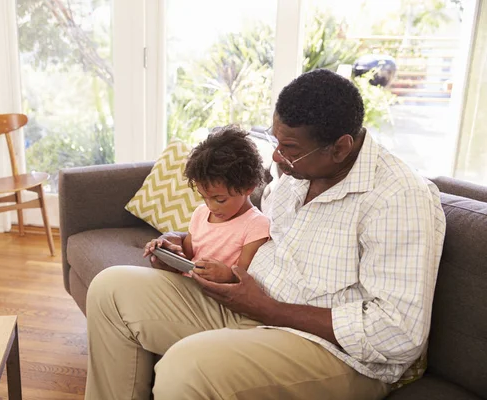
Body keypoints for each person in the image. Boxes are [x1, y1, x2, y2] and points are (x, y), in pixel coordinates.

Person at [84, 69, 446, 400]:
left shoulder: (399, 197)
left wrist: (268, 308)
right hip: (249, 308)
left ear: (340, 147)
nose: (276, 155)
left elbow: (398, 334)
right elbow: (252, 227)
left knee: (184, 371)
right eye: (276, 140)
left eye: (289, 149)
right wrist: (186, 240)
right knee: (111, 289)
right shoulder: (297, 172)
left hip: (332, 352)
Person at [143, 126, 270, 283]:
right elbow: (187, 257)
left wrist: (228, 276)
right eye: (204, 198)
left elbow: (246, 282)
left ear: (248, 187)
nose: (211, 207)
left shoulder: (257, 226)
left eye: (220, 199)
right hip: (186, 285)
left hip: (211, 297)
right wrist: (166, 252)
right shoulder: (201, 213)